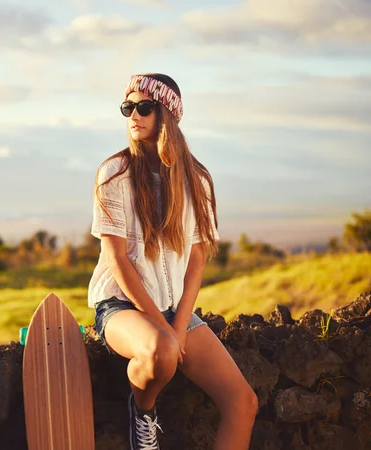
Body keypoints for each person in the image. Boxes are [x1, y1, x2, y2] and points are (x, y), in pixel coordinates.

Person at [88, 73, 258, 450]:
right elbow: (116, 258)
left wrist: (179, 327)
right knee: (161, 352)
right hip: (120, 305)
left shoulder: (197, 180)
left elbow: (197, 260)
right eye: (127, 107)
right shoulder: (114, 173)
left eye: (144, 107)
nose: (134, 115)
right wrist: (164, 332)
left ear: (168, 114)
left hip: (172, 310)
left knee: (244, 402)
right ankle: (143, 411)